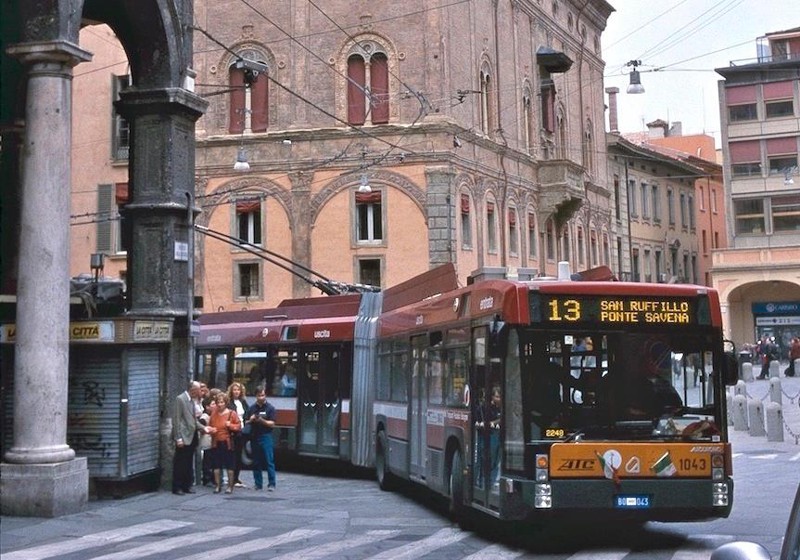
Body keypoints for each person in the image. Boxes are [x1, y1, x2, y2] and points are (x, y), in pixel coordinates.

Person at [171, 380, 206, 495]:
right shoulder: (180, 399)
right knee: (180, 462)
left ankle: (187, 485)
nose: (200, 392)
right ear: (192, 390)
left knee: (188, 461)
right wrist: (178, 438)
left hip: (192, 435)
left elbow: (193, 420)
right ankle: (177, 486)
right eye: (198, 390)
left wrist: (204, 428)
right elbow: (176, 419)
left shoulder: (192, 401)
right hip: (184, 436)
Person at [208, 392, 241, 494]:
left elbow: (238, 426)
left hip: (227, 442)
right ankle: (217, 485)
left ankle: (230, 486)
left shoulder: (232, 413)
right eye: (218, 402)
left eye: (222, 402)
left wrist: (230, 425)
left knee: (230, 465)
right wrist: (211, 429)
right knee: (216, 465)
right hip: (216, 441)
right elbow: (210, 425)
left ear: (226, 402)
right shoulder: (213, 413)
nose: (220, 404)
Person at [247, 386, 277, 491]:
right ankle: (258, 484)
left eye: (263, 395)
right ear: (256, 396)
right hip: (254, 436)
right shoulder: (252, 408)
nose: (261, 397)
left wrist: (261, 421)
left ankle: (272, 484)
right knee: (256, 461)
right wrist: (250, 420)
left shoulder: (270, 408)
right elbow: (245, 422)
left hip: (266, 435)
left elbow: (272, 424)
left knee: (269, 460)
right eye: (259, 395)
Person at [227, 382, 249, 488]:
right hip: (232, 432)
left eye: (238, 390)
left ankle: (236, 477)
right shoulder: (229, 402)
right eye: (234, 390)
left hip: (242, 431)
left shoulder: (243, 402)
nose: (236, 392)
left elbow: (248, 413)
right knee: (232, 455)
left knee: (239, 455)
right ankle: (231, 478)